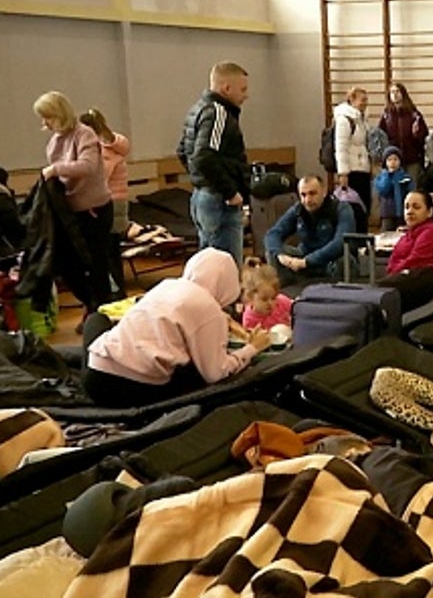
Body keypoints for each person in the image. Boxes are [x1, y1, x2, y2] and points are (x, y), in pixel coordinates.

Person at [83, 248, 270, 407]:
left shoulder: (168, 285)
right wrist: (251, 349)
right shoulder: (208, 309)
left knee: (95, 320)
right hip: (129, 387)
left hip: (94, 372)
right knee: (197, 375)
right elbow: (216, 373)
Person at [36, 90, 115, 319]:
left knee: (97, 263)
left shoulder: (85, 134)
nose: (45, 123)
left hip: (95, 210)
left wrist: (55, 170)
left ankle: (100, 311)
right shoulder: (55, 140)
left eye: (48, 117)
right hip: (70, 211)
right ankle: (91, 304)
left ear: (59, 114)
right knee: (66, 262)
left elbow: (87, 166)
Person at [178, 61, 251, 265]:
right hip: (219, 200)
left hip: (203, 196)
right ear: (226, 88)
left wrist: (200, 180)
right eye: (243, 89)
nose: (246, 95)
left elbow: (183, 152)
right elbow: (203, 157)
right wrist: (230, 191)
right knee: (224, 270)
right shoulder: (219, 113)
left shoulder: (197, 109)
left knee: (208, 267)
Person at [264, 175, 356, 287]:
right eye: (303, 195)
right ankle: (286, 289)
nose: (307, 200)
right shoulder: (298, 210)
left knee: (343, 260)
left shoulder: (341, 209)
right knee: (272, 251)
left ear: (324, 192)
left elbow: (340, 242)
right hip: (304, 259)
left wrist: (307, 261)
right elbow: (273, 234)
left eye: (312, 193)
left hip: (331, 261)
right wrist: (280, 255)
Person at [80, 108, 131, 299]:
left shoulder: (103, 151)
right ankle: (117, 290)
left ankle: (116, 292)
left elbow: (99, 177)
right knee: (111, 251)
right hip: (118, 202)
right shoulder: (114, 145)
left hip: (109, 203)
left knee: (107, 253)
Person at [376, 190, 433, 311]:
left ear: (429, 212)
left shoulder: (431, 231)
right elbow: (393, 260)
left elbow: (415, 260)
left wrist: (393, 276)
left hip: (427, 278)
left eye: (416, 207)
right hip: (406, 278)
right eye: (407, 207)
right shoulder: (406, 235)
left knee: (380, 291)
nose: (410, 211)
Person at [333, 86, 372, 230]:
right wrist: (343, 172)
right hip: (352, 171)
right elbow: (341, 147)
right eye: (362, 100)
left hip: (363, 169)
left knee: (364, 207)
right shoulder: (344, 119)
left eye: (366, 100)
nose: (365, 103)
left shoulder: (361, 119)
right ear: (352, 99)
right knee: (355, 210)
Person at [379, 82, 428, 185]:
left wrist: (416, 134)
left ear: (403, 94)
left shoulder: (414, 114)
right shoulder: (386, 116)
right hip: (393, 161)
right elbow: (382, 137)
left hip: (412, 159)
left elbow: (424, 137)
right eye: (392, 92)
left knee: (412, 188)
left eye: (397, 91)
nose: (395, 94)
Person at [240, 258, 293, 330]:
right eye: (264, 299)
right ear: (250, 297)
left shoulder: (283, 302)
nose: (270, 303)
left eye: (273, 298)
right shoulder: (249, 319)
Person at [374, 146, 414, 232]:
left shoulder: (405, 177)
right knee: (386, 232)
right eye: (389, 160)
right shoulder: (381, 177)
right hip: (387, 213)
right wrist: (387, 176)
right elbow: (383, 189)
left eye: (395, 159)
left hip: (403, 212)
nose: (393, 162)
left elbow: (411, 192)